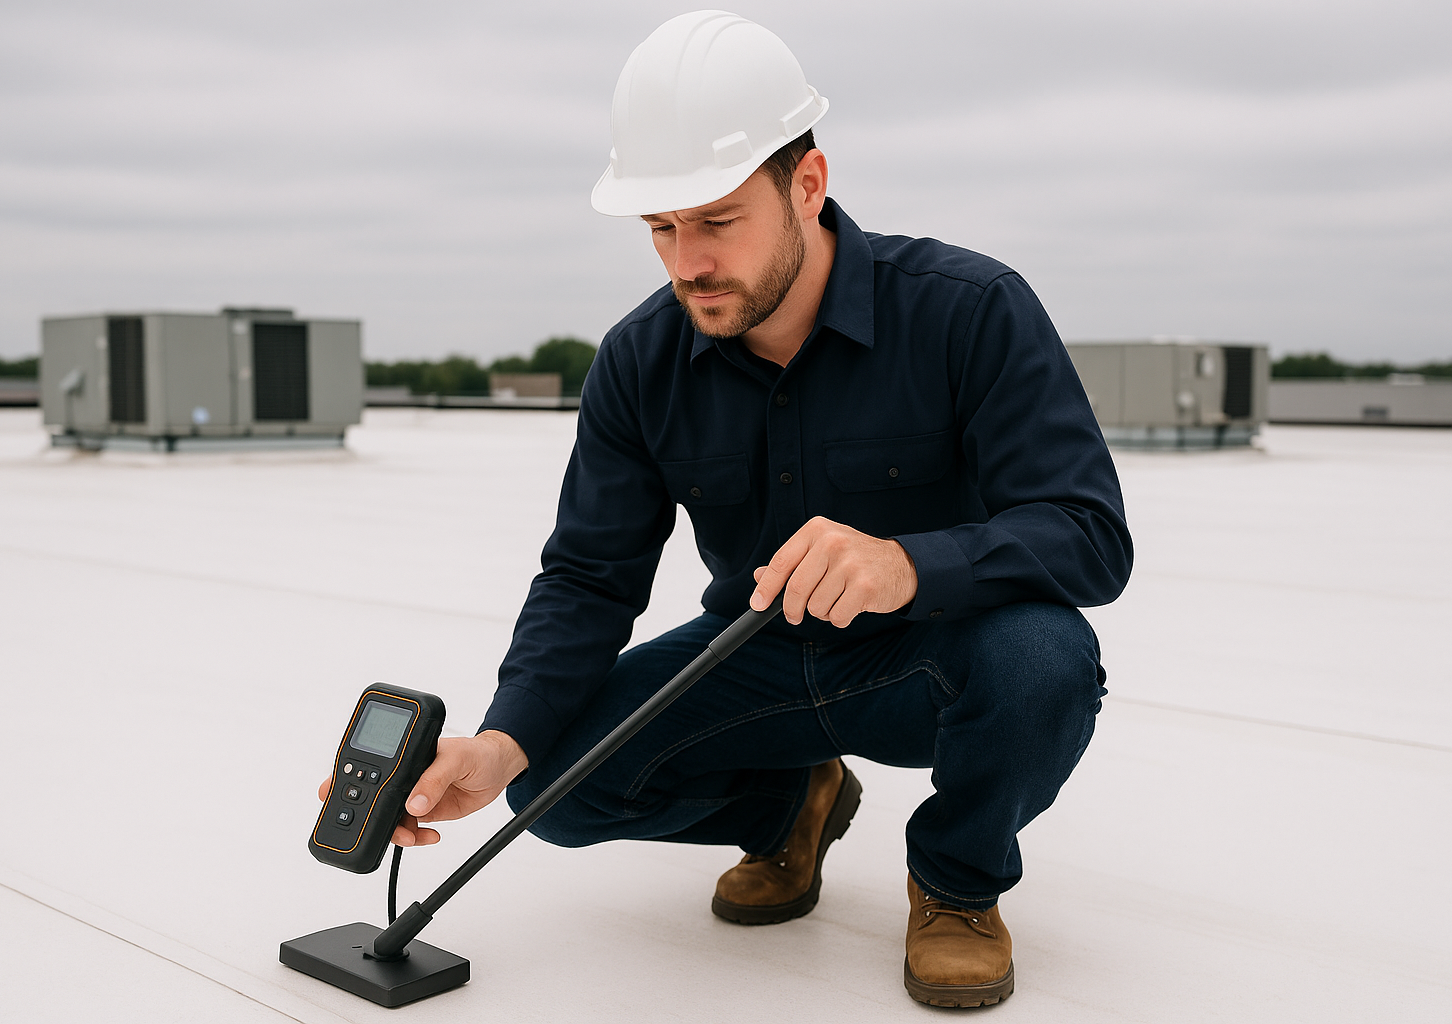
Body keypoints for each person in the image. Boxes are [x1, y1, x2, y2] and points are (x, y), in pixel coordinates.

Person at [356, 10, 1131, 1009]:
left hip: (932, 656)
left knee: (1045, 659)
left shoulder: (969, 310)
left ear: (807, 185)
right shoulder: (639, 361)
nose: (687, 263)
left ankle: (955, 882)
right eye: (661, 229)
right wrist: (502, 740)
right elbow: (590, 575)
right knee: (554, 789)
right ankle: (790, 806)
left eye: (717, 221)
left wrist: (908, 564)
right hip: (753, 657)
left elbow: (1089, 535)